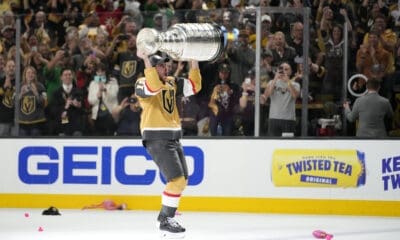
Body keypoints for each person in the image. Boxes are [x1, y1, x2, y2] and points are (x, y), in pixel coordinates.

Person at [134, 51, 202, 238]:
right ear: (153, 68)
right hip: (156, 136)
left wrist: (193, 59)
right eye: (162, 66)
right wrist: (145, 59)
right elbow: (154, 86)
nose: (167, 68)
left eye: (167, 65)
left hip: (173, 136)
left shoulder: (171, 81)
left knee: (183, 179)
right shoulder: (141, 82)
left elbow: (194, 86)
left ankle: (165, 218)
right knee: (177, 180)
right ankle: (165, 219)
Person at [260, 62, 300, 137]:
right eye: (281, 69)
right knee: (272, 143)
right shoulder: (272, 82)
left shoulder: (295, 84)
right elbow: (267, 95)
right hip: (273, 118)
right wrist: (275, 79)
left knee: (287, 145)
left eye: (286, 69)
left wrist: (287, 81)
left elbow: (295, 96)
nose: (283, 71)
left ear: (290, 72)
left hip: (288, 119)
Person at [88, 62, 119, 136]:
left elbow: (113, 96)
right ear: (96, 73)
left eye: (102, 71)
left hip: (110, 113)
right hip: (97, 114)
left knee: (110, 133)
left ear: (105, 71)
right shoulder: (93, 83)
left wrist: (105, 90)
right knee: (98, 134)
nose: (100, 73)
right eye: (98, 71)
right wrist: (97, 96)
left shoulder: (113, 81)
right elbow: (90, 100)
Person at [18, 66, 47, 136]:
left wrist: (36, 93)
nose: (30, 75)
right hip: (22, 121)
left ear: (35, 75)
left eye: (32, 73)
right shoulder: (19, 86)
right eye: (28, 73)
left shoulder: (41, 86)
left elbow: (45, 104)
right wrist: (21, 94)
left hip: (37, 121)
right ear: (24, 75)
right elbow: (14, 104)